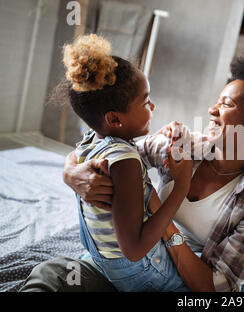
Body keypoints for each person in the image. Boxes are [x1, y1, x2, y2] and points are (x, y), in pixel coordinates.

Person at [20, 50, 244, 292]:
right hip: (134, 262)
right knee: (53, 275)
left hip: (179, 280)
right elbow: (113, 144)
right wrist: (71, 171)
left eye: (226, 104)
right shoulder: (183, 148)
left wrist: (162, 214)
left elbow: (212, 287)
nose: (211, 110)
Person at [49, 34, 193, 292]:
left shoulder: (91, 141)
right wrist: (182, 186)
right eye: (145, 101)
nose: (153, 105)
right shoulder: (125, 161)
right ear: (115, 119)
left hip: (101, 259)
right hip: (140, 273)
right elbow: (135, 250)